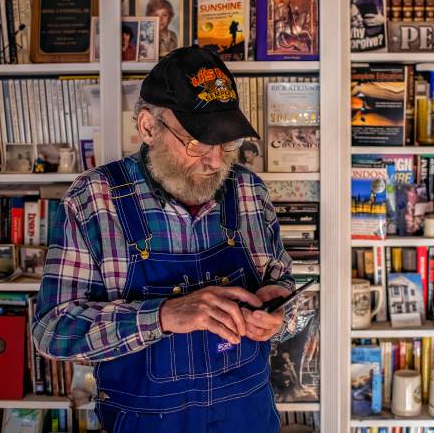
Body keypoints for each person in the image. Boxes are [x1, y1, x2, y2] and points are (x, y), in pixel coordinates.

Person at [32, 46, 294, 433]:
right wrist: (164, 315)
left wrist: (279, 313)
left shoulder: (249, 192)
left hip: (248, 417)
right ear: (148, 127)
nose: (215, 161)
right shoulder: (94, 199)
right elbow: (52, 331)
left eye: (226, 144)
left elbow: (284, 288)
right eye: (198, 143)